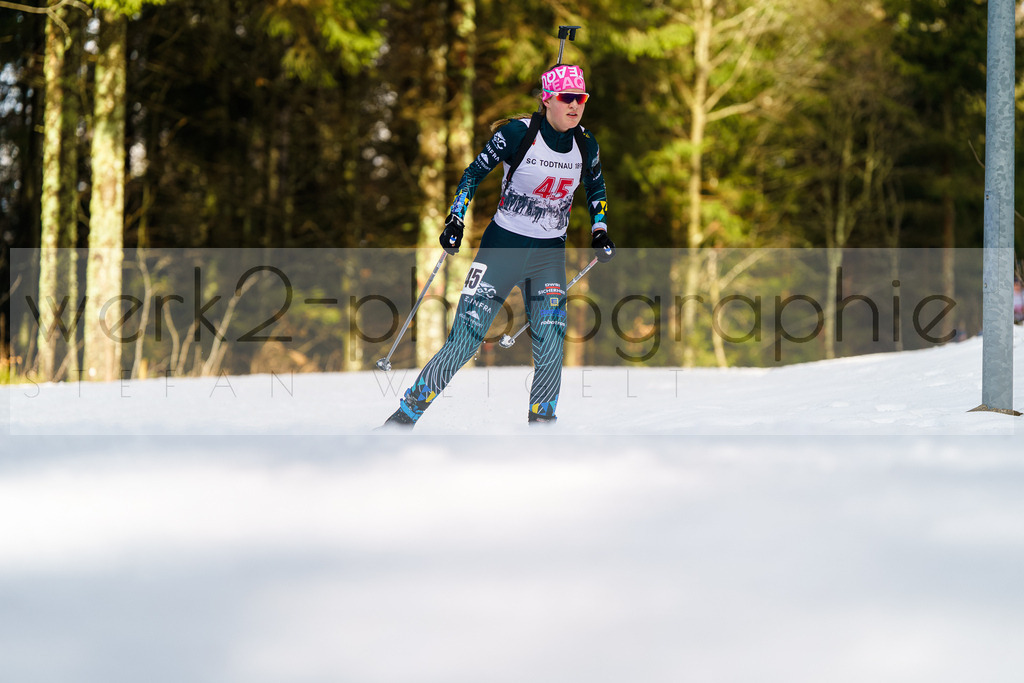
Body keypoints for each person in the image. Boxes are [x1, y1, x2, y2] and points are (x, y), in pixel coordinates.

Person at [381, 63, 615, 429]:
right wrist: (456, 218)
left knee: (552, 341)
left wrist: (600, 228)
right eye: (567, 97)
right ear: (547, 100)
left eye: (581, 98)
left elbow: (596, 186)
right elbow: (473, 173)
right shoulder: (518, 134)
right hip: (502, 249)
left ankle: (543, 428)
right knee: (466, 340)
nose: (575, 105)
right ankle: (404, 417)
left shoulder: (585, 143)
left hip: (548, 256)